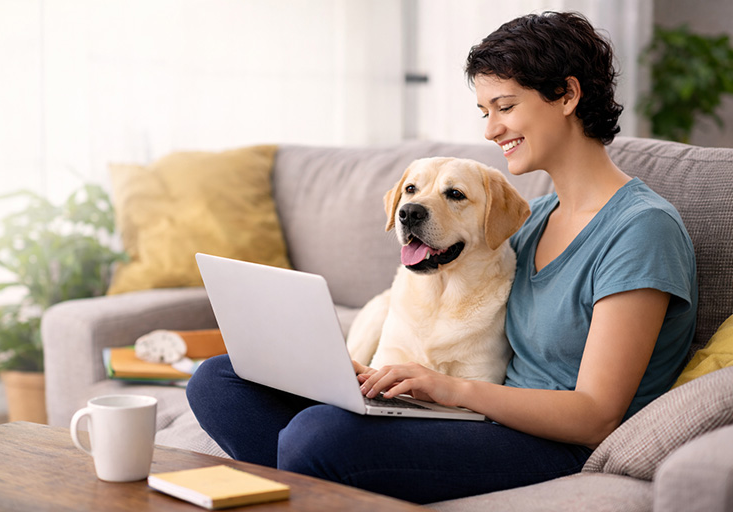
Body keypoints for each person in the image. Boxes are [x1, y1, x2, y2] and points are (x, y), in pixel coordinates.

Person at [187, 11, 697, 504]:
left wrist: (450, 389)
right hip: (476, 419)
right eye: (485, 112)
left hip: (555, 444)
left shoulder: (641, 229)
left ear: (567, 95)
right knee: (220, 381)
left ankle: (308, 478)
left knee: (317, 435)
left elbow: (595, 415)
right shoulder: (534, 219)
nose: (491, 130)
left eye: (505, 106)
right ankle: (314, 485)